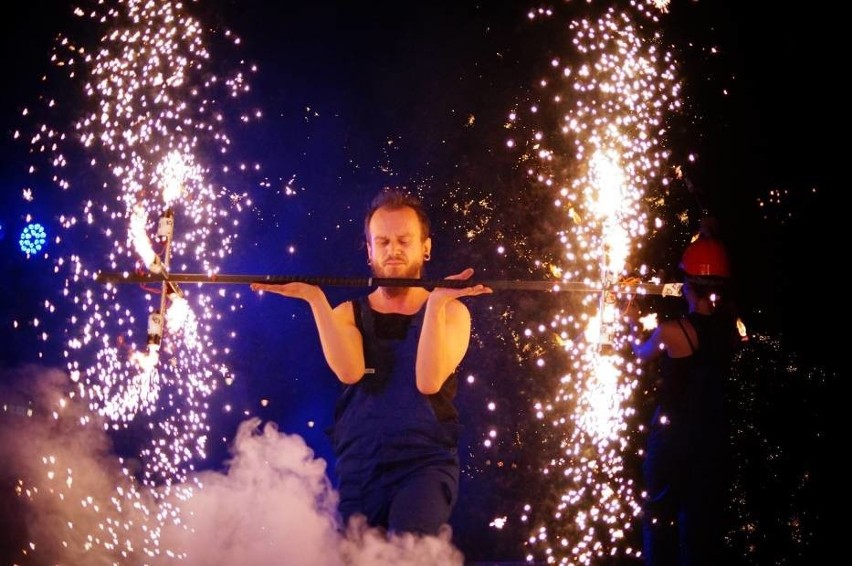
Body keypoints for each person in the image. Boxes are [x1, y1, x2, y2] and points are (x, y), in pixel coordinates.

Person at [250, 188, 492, 537]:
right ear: (369, 251)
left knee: (405, 552)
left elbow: (427, 382)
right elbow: (349, 371)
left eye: (403, 241)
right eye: (383, 242)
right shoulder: (347, 314)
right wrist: (315, 299)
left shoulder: (452, 312)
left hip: (423, 465)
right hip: (360, 469)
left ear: (425, 247)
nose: (392, 251)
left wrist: (436, 305)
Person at [631, 229, 741, 565]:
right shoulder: (732, 327)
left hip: (673, 436)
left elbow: (641, 353)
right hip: (713, 434)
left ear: (688, 284)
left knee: (660, 512)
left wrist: (632, 323)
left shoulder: (672, 331)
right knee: (700, 519)